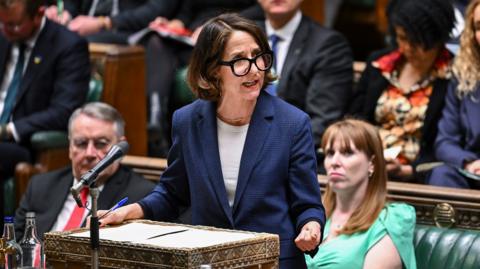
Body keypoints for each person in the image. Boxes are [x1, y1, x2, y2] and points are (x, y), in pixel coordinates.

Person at [98, 13, 325, 268]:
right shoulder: (187, 121)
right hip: (209, 261)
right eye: (239, 60)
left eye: (258, 56)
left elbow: (307, 204)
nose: (254, 69)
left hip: (272, 262)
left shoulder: (292, 124)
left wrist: (311, 227)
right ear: (213, 69)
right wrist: (130, 211)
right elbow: (173, 194)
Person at [0, 0, 90, 228]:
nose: (7, 30)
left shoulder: (68, 45)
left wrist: (9, 129)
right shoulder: (3, 35)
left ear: (39, 14)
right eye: (3, 23)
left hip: (26, 143)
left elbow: (65, 111)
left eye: (15, 25)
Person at [14, 102, 155, 240]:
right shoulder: (40, 185)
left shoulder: (142, 196)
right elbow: (13, 246)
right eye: (81, 143)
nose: (90, 153)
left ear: (120, 147)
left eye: (101, 143)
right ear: (70, 147)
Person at [349, 0, 455, 182]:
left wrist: (409, 170)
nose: (407, 48)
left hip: (418, 175)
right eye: (401, 38)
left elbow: (448, 140)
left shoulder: (453, 76)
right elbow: (354, 116)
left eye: (417, 42)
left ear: (437, 39)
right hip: (365, 166)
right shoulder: (379, 64)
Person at [144, 0, 262, 157]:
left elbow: (261, 8)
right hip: (194, 38)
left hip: (232, 33)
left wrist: (217, 25)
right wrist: (177, 23)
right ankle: (156, 120)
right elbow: (188, 8)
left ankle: (202, 144)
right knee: (156, 42)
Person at [305, 119, 416, 269]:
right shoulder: (312, 214)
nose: (334, 162)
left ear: (372, 164)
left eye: (347, 153)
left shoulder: (390, 220)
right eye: (330, 153)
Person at [257, 0, 353, 149]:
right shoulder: (241, 37)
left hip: (292, 151)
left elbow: (322, 120)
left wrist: (274, 151)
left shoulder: (328, 45)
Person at [427, 0, 480, 189]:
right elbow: (445, 141)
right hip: (474, 172)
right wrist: (468, 162)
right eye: (479, 27)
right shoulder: (465, 78)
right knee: (442, 175)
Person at [44, 0, 178, 44]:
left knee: (71, 43)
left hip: (128, 32)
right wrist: (65, 13)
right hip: (81, 27)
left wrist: (104, 22)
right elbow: (72, 3)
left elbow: (157, 9)